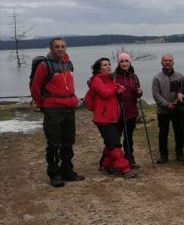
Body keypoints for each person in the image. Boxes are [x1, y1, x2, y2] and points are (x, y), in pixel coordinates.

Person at [30, 37, 84, 188]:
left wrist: (74, 99)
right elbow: (35, 87)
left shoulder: (68, 63)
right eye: (57, 46)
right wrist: (42, 105)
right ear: (51, 48)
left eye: (63, 46)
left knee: (68, 141)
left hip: (69, 108)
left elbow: (69, 83)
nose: (60, 49)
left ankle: (67, 171)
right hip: (53, 109)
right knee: (54, 144)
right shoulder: (44, 65)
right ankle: (54, 174)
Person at [87, 58, 137, 178]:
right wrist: (116, 88)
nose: (108, 66)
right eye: (105, 65)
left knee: (110, 143)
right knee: (114, 144)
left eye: (109, 64)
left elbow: (112, 95)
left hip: (114, 117)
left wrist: (119, 91)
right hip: (103, 118)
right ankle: (124, 168)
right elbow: (105, 93)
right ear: (99, 69)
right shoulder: (97, 80)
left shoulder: (109, 79)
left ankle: (105, 165)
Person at [152, 54, 184, 164]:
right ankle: (163, 155)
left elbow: (183, 91)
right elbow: (156, 94)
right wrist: (167, 105)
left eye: (170, 60)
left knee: (179, 132)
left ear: (173, 62)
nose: (167, 62)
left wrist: (175, 104)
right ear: (161, 63)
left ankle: (180, 154)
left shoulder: (180, 76)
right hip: (163, 111)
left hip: (177, 110)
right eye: (165, 60)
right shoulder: (157, 78)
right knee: (163, 133)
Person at [113, 53, 143, 167]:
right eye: (122, 61)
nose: (124, 63)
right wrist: (117, 92)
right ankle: (110, 160)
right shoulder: (114, 76)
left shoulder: (134, 76)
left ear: (130, 63)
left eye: (126, 61)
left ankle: (130, 159)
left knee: (128, 137)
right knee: (115, 138)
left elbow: (137, 91)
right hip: (118, 111)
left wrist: (140, 92)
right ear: (118, 63)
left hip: (131, 110)